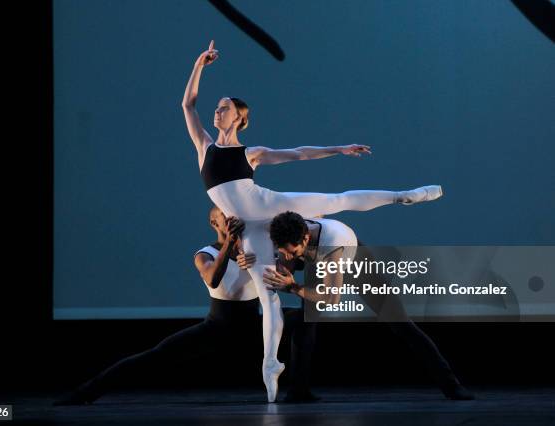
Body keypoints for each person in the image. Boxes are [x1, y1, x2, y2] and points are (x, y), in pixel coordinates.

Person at [182, 40, 444, 401]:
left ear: (240, 118)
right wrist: (199, 65)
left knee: (336, 201)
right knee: (268, 293)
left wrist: (338, 149)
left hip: (269, 206)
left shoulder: (250, 153)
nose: (217, 111)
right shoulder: (204, 147)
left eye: (224, 108)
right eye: (217, 107)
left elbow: (298, 154)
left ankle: (405, 195)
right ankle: (271, 366)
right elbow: (188, 104)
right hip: (254, 228)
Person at [53, 207, 315, 405]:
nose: (234, 221)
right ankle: (83, 393)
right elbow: (213, 277)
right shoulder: (206, 254)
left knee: (305, 317)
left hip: (253, 325)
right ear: (215, 223)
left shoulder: (254, 250)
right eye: (227, 217)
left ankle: (299, 391)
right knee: (154, 356)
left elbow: (287, 266)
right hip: (218, 326)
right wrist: (229, 246)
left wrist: (269, 263)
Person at [263, 211, 475, 400]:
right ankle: (298, 391)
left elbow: (331, 299)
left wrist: (292, 287)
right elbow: (289, 252)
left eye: (291, 251)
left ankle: (452, 387)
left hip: (355, 261)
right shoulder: (287, 228)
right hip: (313, 258)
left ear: (305, 238)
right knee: (304, 321)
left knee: (400, 322)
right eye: (283, 251)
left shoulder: (332, 247)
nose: (286, 256)